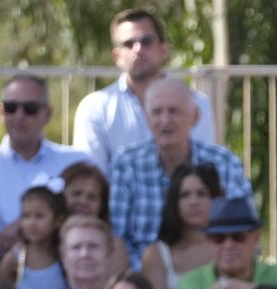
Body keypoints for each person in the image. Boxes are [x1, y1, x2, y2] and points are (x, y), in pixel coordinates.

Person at [109, 78, 250, 268]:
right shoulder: (126, 164)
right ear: (146, 117)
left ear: (195, 117)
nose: (165, 120)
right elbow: (116, 237)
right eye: (157, 112)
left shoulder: (224, 163)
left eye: (174, 111)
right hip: (142, 277)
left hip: (212, 273)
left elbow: (245, 230)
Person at [73, 8, 216, 173]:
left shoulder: (197, 103)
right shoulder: (94, 108)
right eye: (128, 44)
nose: (138, 49)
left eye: (146, 41)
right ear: (117, 56)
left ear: (164, 50)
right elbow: (91, 177)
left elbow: (205, 169)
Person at [0, 74, 88, 252]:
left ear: (47, 114)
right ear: (1, 112)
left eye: (30, 108)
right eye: (11, 107)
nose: (19, 115)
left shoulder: (76, 163)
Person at [141, 163, 222, 289]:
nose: (194, 202)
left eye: (202, 194)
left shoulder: (230, 246)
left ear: (215, 199)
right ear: (174, 202)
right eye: (184, 195)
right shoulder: (156, 253)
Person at [0, 184, 69, 289]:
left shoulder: (64, 255)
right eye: (26, 216)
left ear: (58, 221)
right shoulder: (18, 255)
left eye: (39, 216)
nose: (31, 223)